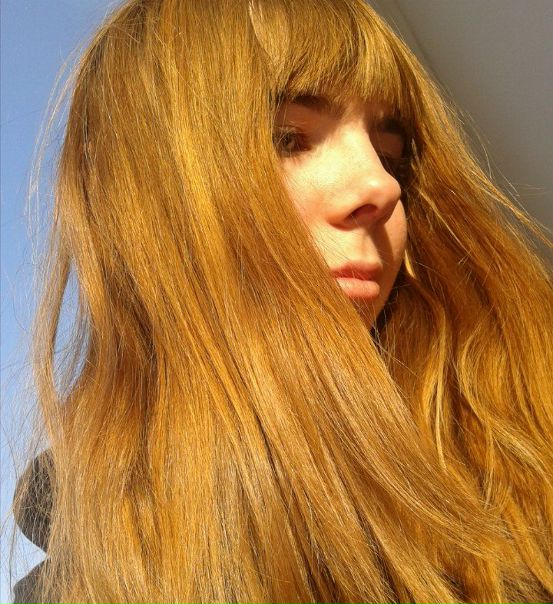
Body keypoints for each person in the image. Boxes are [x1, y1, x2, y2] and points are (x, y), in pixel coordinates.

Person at [10, 0, 553, 602]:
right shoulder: (77, 587)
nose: (380, 185)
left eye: (391, 155)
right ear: (151, 208)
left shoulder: (520, 461)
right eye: (288, 138)